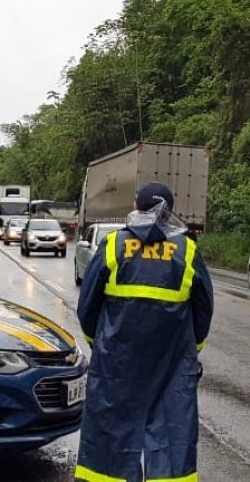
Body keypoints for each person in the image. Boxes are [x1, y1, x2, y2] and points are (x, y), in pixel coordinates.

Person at [75, 182, 214, 482]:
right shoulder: (187, 252)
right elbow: (203, 310)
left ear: (136, 208)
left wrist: (99, 344)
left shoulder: (113, 246)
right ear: (170, 213)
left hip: (116, 365)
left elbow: (88, 307)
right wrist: (191, 350)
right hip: (172, 367)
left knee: (110, 437)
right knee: (171, 436)